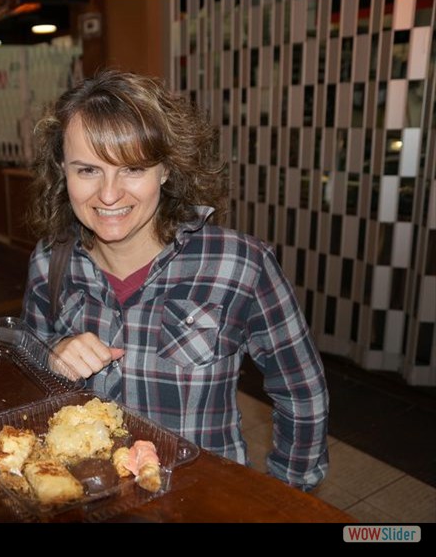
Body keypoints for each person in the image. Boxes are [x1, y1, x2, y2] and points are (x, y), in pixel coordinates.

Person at [21, 69, 329, 491]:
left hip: (203, 501)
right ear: (63, 170)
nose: (108, 195)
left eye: (132, 168)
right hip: (90, 497)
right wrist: (51, 355)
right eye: (88, 170)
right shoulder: (49, 262)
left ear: (166, 169)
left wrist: (285, 498)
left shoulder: (240, 265)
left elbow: (302, 392)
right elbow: (28, 378)